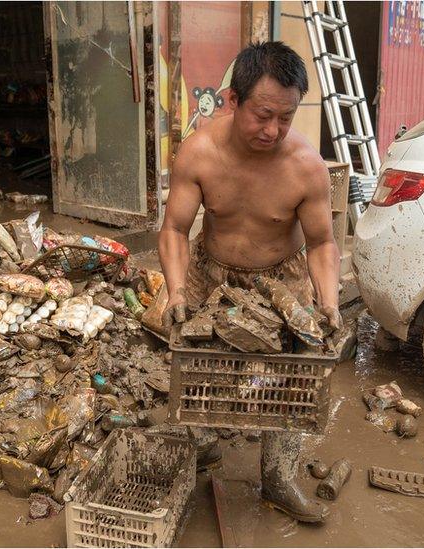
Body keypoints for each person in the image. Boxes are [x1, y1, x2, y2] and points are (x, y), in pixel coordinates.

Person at [157, 41, 342, 524]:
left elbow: (322, 243)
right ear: (232, 100)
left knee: (294, 378)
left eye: (286, 117)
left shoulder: (306, 167)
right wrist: (177, 291)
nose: (273, 130)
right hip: (211, 269)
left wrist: (329, 302)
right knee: (196, 359)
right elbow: (175, 230)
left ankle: (279, 478)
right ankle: (204, 442)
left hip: (281, 277)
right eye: (262, 115)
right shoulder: (199, 152)